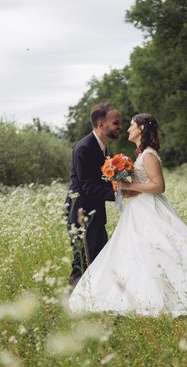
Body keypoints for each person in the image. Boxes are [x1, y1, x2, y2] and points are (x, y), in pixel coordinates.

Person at [69, 113, 187, 317]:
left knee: (160, 248)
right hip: (137, 208)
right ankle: (141, 293)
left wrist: (128, 185)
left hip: (148, 207)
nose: (128, 129)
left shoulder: (148, 154)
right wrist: (120, 183)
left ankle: (176, 293)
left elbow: (159, 186)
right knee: (137, 251)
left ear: (141, 129)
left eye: (131, 125)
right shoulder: (140, 153)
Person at [65, 103, 137, 287]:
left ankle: (95, 302)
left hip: (95, 214)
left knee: (100, 259)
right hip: (81, 214)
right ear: (100, 124)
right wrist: (121, 193)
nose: (119, 126)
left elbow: (102, 180)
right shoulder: (84, 148)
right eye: (116, 122)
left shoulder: (103, 148)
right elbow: (88, 186)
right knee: (82, 262)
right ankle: (72, 304)